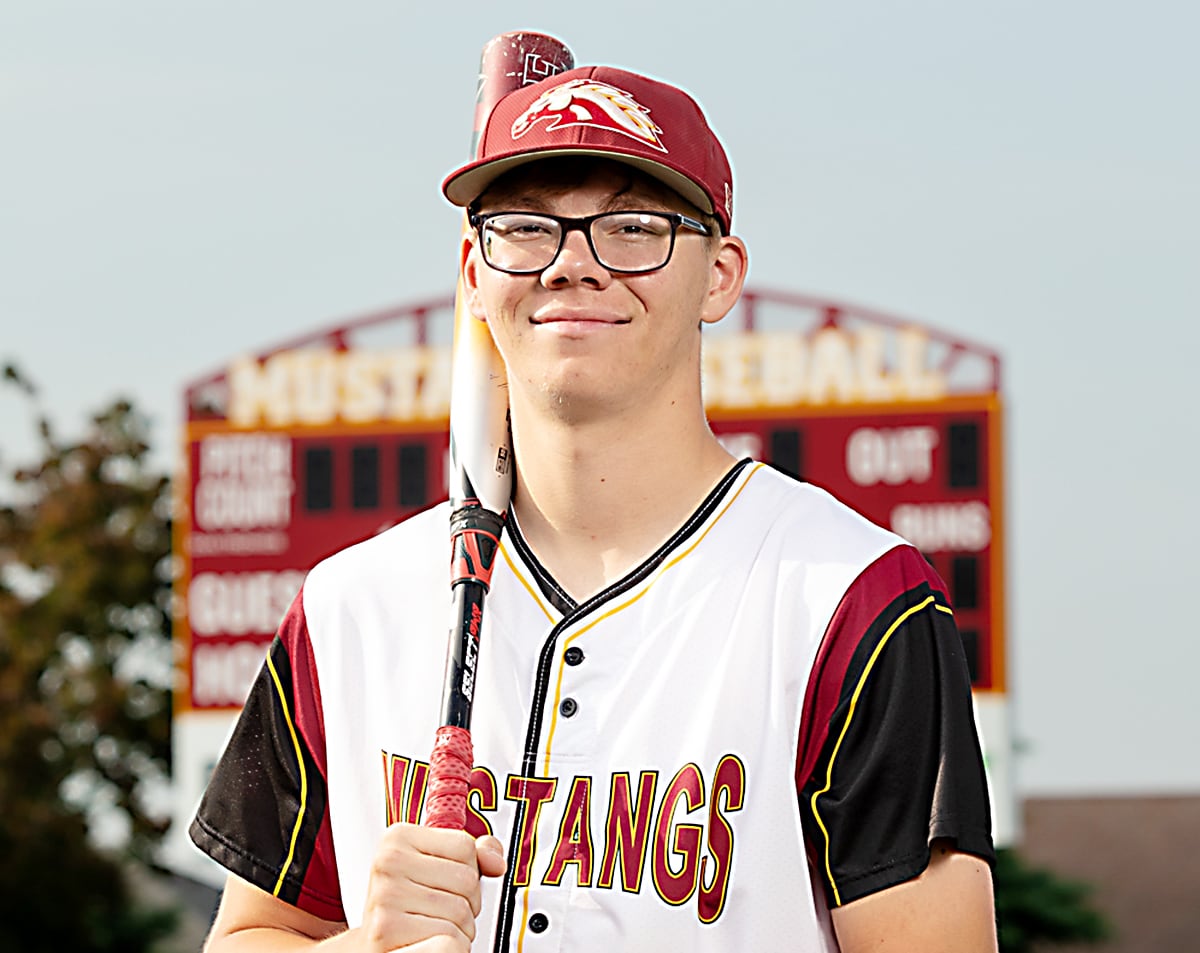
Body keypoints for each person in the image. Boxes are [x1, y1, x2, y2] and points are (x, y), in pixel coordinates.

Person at [191, 63, 997, 953]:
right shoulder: (350, 607)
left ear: (721, 276)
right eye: (527, 227)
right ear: (474, 271)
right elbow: (249, 935)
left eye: (632, 228)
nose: (573, 263)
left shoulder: (852, 601)